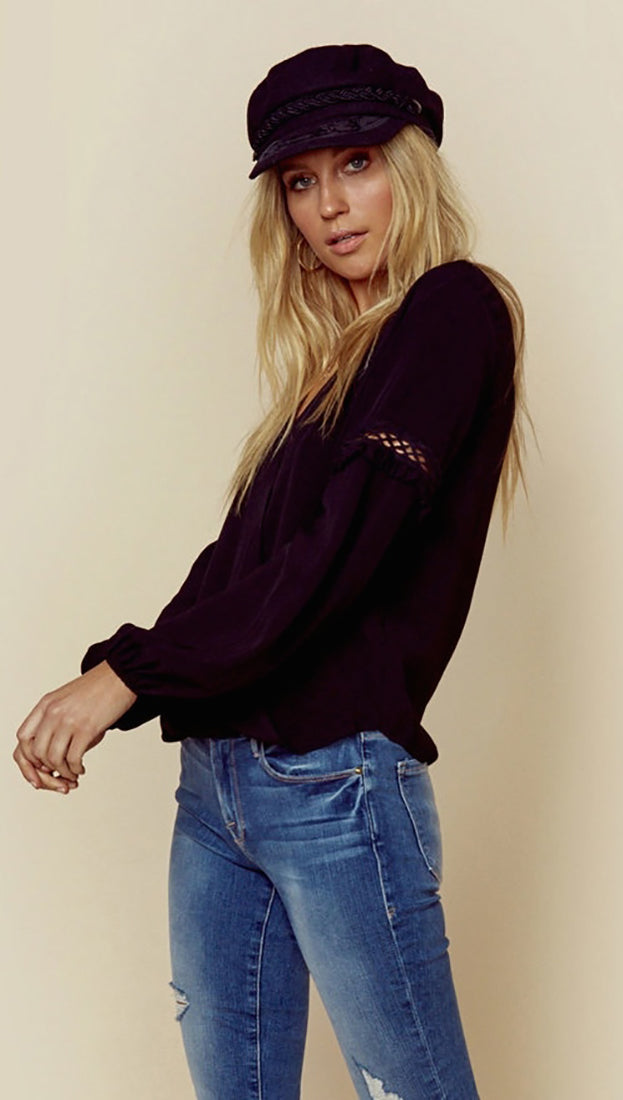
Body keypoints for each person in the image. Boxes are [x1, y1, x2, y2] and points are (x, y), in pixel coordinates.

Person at [14, 42, 532, 1100]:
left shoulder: (452, 310)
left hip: (333, 785)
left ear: (409, 165)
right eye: (300, 180)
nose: (329, 205)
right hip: (218, 783)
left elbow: (333, 562)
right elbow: (238, 567)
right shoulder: (334, 366)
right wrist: (123, 677)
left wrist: (128, 675)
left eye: (356, 163)